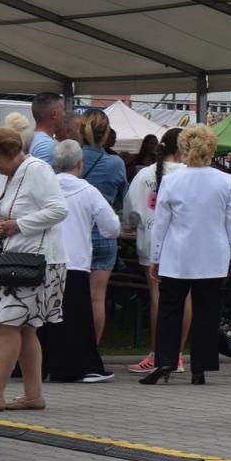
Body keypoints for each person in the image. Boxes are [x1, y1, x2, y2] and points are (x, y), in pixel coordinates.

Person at [0, 127, 67, 414]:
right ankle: (32, 394)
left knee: (5, 325)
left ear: (6, 153)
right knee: (26, 329)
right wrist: (4, 225)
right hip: (18, 260)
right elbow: (6, 212)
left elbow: (59, 209)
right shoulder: (9, 175)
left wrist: (18, 224)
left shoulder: (37, 169)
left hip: (37, 262)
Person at [143, 125, 231, 386]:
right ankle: (201, 367)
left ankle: (165, 360)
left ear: (184, 148)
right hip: (213, 254)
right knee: (207, 311)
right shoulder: (225, 180)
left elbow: (161, 223)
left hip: (178, 254)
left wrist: (155, 257)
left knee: (170, 308)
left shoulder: (172, 181)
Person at [45, 140, 119, 385]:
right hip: (76, 261)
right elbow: (112, 227)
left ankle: (44, 365)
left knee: (47, 317)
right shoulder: (88, 191)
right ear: (80, 163)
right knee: (77, 319)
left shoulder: (46, 187)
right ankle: (81, 366)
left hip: (47, 259)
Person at [126, 129, 186, 375]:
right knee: (185, 298)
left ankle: (157, 353)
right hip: (184, 244)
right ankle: (178, 355)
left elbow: (132, 212)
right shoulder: (191, 175)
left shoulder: (145, 175)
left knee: (158, 297)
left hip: (152, 242)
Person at [76, 108, 128, 346]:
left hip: (75, 235)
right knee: (98, 298)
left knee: (71, 297)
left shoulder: (70, 157)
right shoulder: (116, 163)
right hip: (104, 236)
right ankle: (91, 350)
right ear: (107, 133)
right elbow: (122, 199)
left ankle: (70, 347)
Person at [28, 91, 68, 163]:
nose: (65, 114)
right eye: (63, 110)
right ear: (54, 114)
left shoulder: (29, 138)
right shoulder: (47, 146)